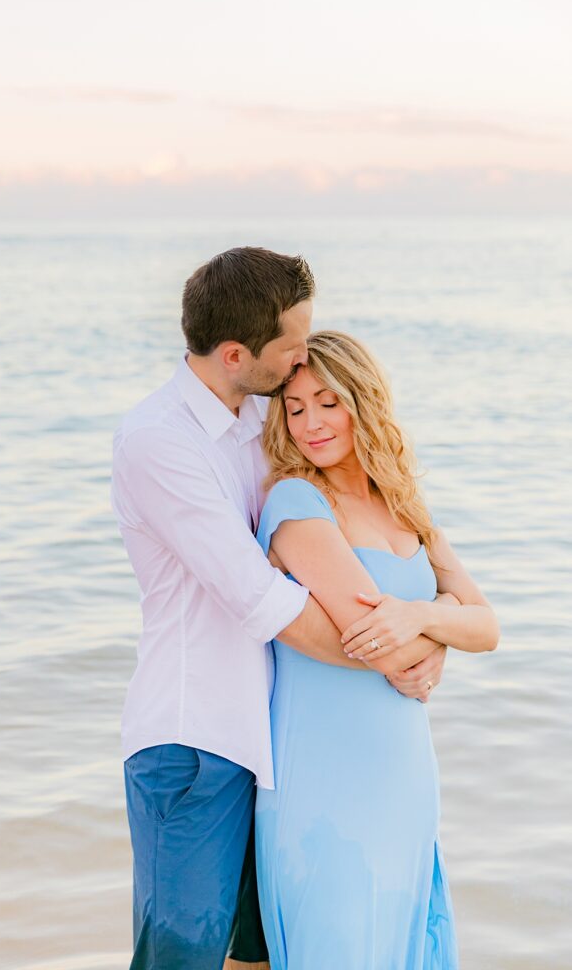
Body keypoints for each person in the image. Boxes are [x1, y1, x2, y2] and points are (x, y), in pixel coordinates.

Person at [111, 248, 449, 970]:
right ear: (236, 353)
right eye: (292, 342)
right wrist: (403, 655)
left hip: (280, 743)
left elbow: (360, 552)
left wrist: (427, 626)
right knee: (182, 951)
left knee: (259, 953)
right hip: (196, 737)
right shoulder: (158, 441)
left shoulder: (265, 418)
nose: (303, 357)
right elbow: (264, 600)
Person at [254, 330, 500, 969]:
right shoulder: (297, 502)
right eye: (295, 407)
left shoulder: (406, 507)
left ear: (363, 400)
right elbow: (378, 646)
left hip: (405, 774)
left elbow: (489, 627)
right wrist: (444, 629)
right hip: (323, 778)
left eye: (328, 401)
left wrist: (425, 616)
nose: (310, 423)